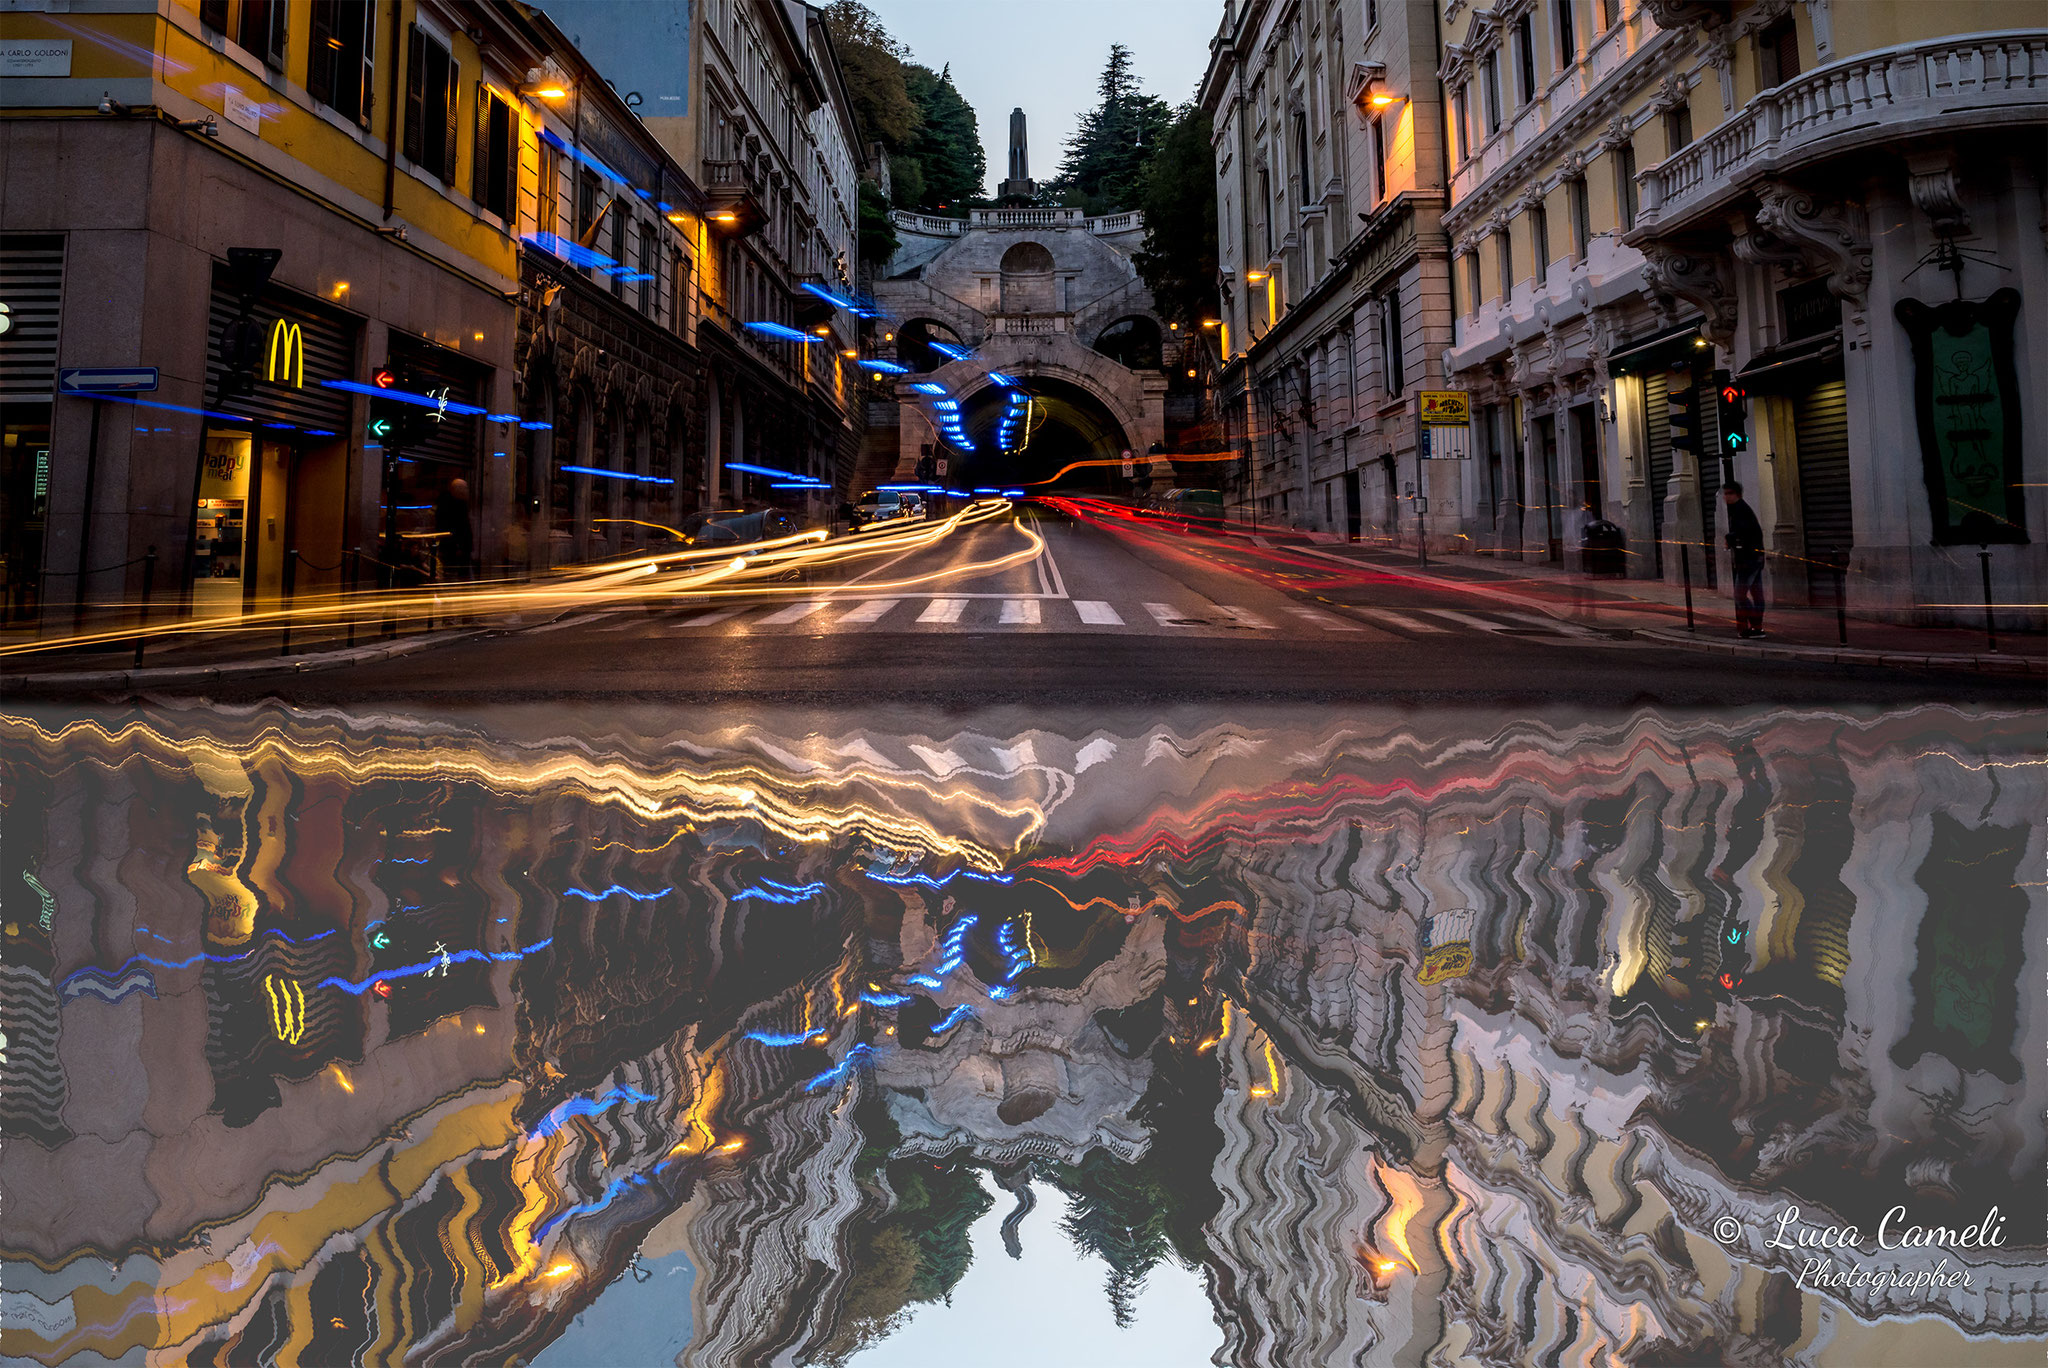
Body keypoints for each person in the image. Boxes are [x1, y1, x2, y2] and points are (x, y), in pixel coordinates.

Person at [1722, 481, 1766, 637]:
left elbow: (1745, 533)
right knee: (1756, 593)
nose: (1726, 497)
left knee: (1740, 595)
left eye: (1729, 493)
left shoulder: (1741, 510)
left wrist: (1729, 538)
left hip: (1749, 560)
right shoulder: (1739, 509)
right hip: (1754, 558)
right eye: (1725, 494)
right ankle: (1757, 628)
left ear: (1737, 494)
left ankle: (1755, 626)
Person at [433, 478, 475, 583]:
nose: (467, 491)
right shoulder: (452, 505)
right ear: (458, 490)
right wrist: (459, 546)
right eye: (464, 488)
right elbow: (459, 528)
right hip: (454, 549)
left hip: (458, 548)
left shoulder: (459, 503)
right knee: (454, 576)